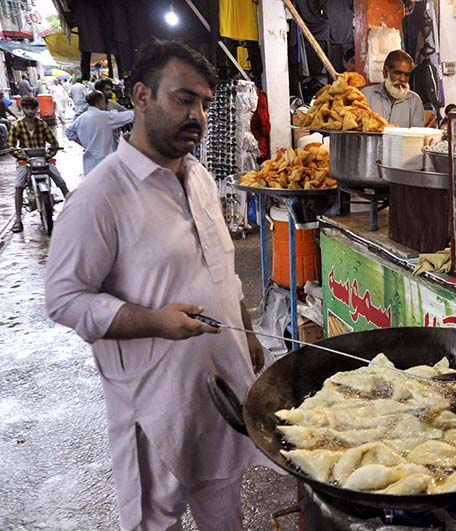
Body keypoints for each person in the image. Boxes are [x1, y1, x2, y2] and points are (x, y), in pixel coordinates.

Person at [45, 40, 266, 531]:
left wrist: (246, 331)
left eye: (205, 103)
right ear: (141, 97)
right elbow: (64, 299)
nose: (199, 115)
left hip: (217, 385)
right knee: (155, 520)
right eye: (184, 99)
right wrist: (155, 322)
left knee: (225, 511)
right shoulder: (101, 197)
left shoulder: (200, 177)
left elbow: (222, 268)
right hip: (153, 401)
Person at [8, 96, 70, 233]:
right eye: (27, 108)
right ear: (22, 109)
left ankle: (74, 208)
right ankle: (18, 219)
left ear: (37, 109)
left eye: (33, 108)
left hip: (43, 158)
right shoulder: (16, 126)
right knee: (19, 186)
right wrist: (21, 156)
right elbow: (12, 146)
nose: (30, 111)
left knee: (60, 181)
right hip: (25, 160)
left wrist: (49, 155)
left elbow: (54, 143)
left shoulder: (42, 124)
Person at [65, 90, 135, 175]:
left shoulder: (82, 118)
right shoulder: (105, 117)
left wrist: (84, 143)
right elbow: (128, 116)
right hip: (105, 161)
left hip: (89, 164)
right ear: (99, 102)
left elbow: (68, 131)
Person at [361, 50, 425, 128]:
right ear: (385, 72)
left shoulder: (414, 101)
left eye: (407, 75)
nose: (402, 79)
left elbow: (417, 135)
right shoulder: (366, 95)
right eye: (398, 73)